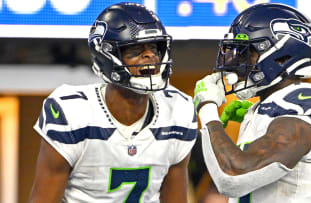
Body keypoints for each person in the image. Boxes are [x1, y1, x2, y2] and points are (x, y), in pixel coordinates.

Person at [29, 3, 197, 203]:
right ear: (107, 57)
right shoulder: (73, 112)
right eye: (135, 49)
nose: (150, 56)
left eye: (153, 47)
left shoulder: (178, 109)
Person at [193, 3, 311, 203]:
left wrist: (207, 108)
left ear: (281, 57)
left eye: (246, 53)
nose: (234, 62)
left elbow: (233, 177)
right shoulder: (274, 107)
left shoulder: (305, 103)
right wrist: (267, 118)